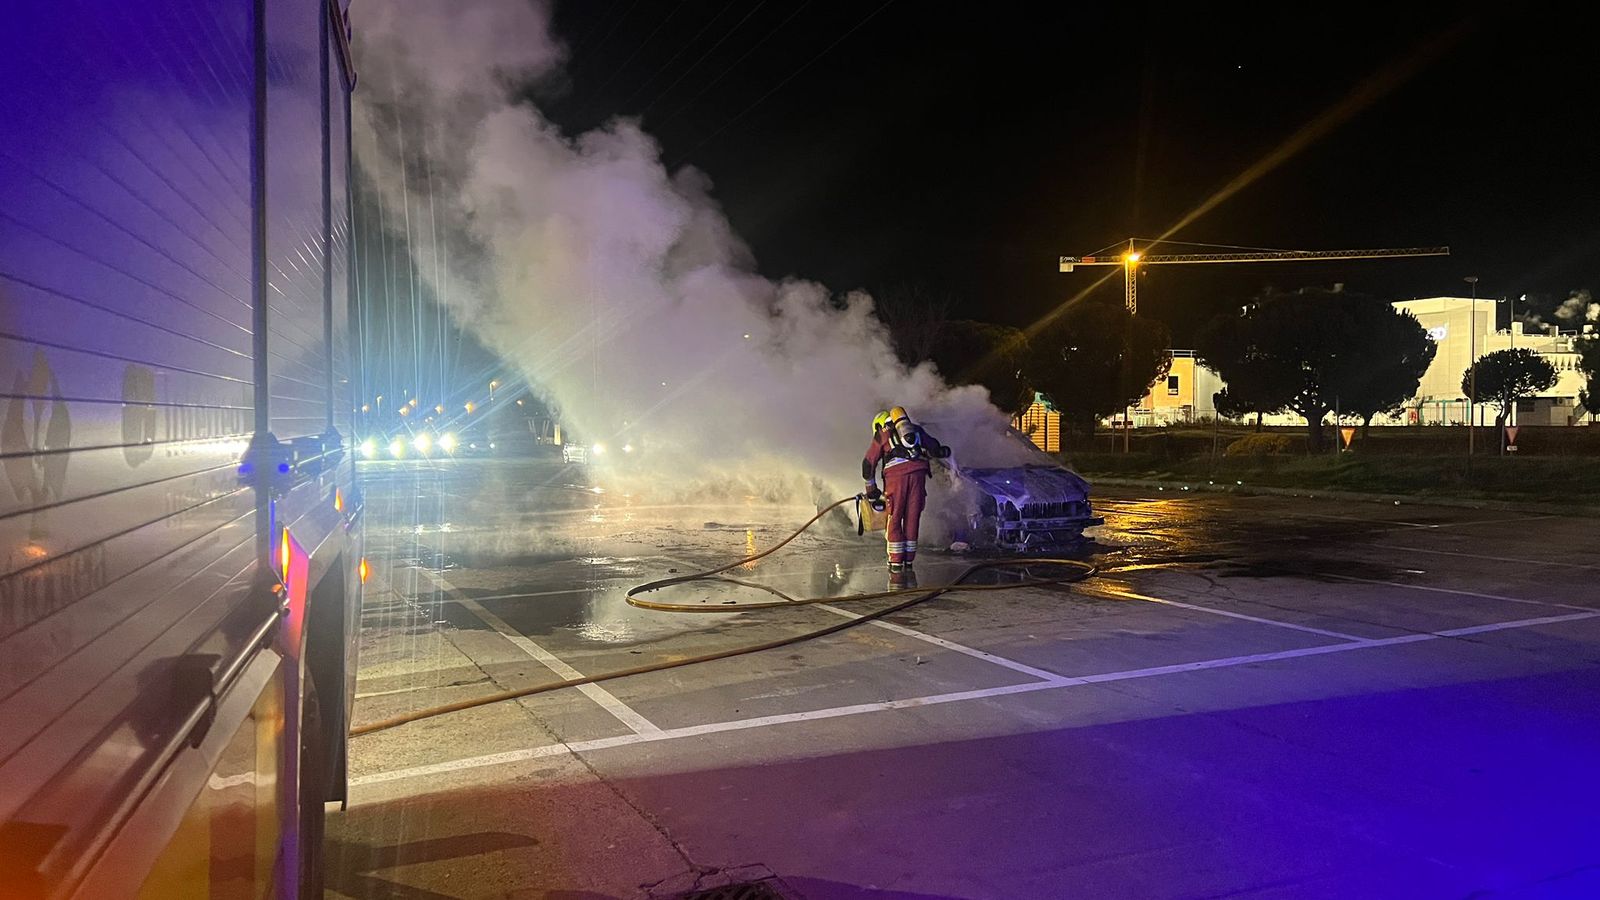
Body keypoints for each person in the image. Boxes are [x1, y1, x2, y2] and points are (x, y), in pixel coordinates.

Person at [862, 406, 951, 572]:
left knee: (895, 517)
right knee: (912, 517)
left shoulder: (883, 435)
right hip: (918, 475)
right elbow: (934, 447)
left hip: (896, 479)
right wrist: (941, 451)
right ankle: (909, 560)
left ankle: (896, 562)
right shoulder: (916, 430)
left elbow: (868, 463)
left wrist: (871, 489)